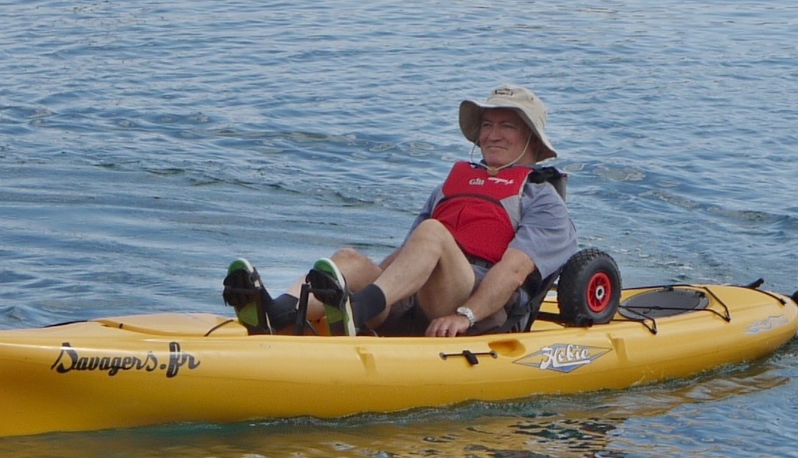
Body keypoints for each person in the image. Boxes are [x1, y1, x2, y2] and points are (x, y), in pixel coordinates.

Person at [223, 84, 578, 338]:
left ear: (531, 138)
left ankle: (357, 310)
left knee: (433, 233)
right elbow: (411, 256)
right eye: (487, 124)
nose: (491, 135)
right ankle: (277, 313)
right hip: (423, 296)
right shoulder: (450, 187)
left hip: (479, 306)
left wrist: (465, 315)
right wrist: (370, 279)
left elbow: (513, 272)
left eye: (507, 126)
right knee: (348, 259)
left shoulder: (543, 200)